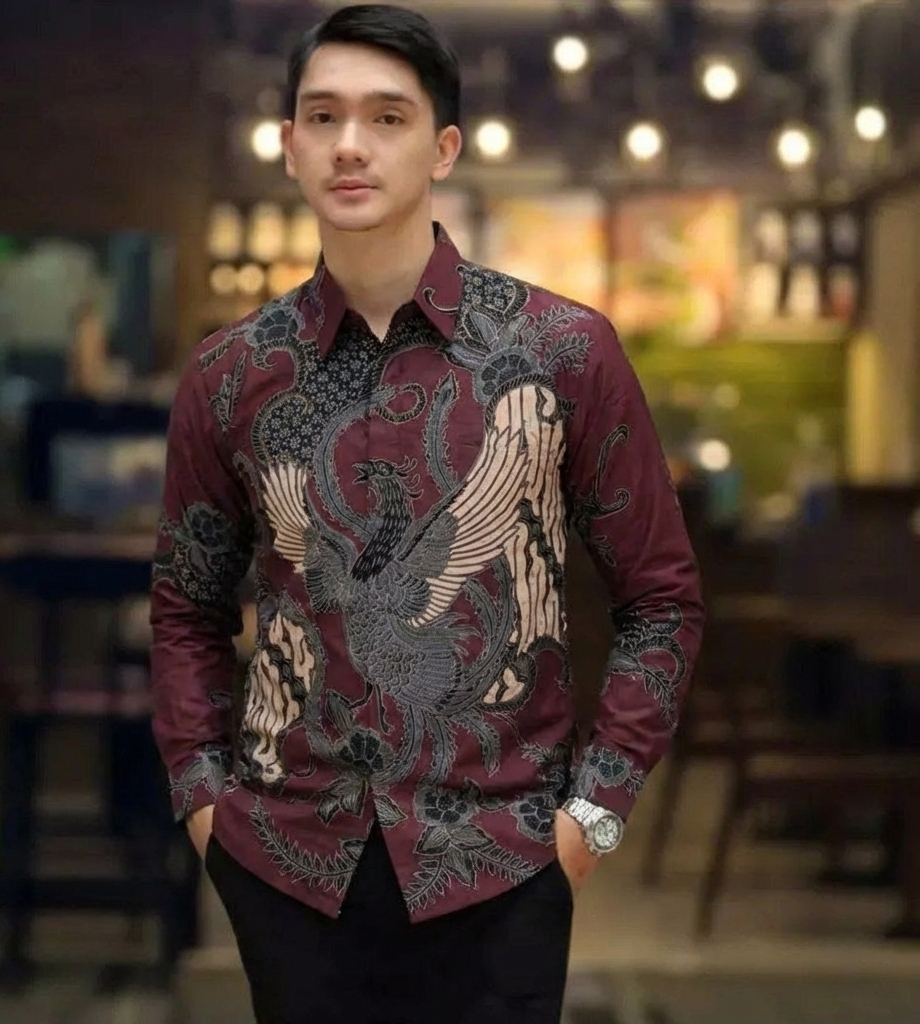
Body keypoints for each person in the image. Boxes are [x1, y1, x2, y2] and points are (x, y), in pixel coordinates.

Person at [150, 5, 704, 1022]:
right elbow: (186, 609)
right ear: (289, 145)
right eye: (323, 117)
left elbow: (661, 602)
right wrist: (202, 800)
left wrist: (594, 816)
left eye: (387, 117)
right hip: (287, 865)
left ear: (443, 147)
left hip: (502, 865)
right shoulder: (232, 374)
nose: (350, 145)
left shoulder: (561, 351)